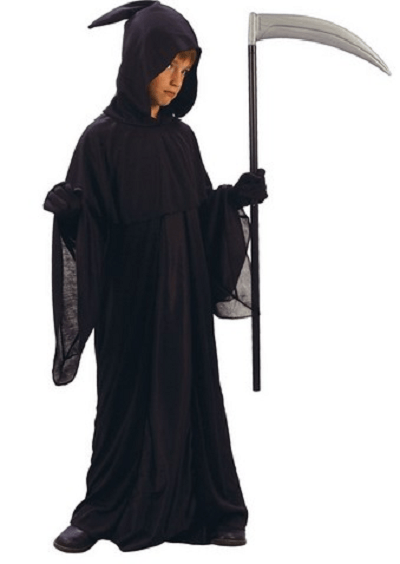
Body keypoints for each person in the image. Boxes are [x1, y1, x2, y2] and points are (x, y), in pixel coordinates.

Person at [43, 0, 267, 553]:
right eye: (168, 65)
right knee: (123, 402)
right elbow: (90, 228)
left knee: (194, 395)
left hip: (183, 301)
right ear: (139, 59)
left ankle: (215, 508)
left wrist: (233, 199)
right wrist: (71, 214)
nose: (175, 80)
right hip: (130, 304)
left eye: (185, 70)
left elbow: (200, 214)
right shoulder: (100, 140)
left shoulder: (181, 139)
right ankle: (102, 510)